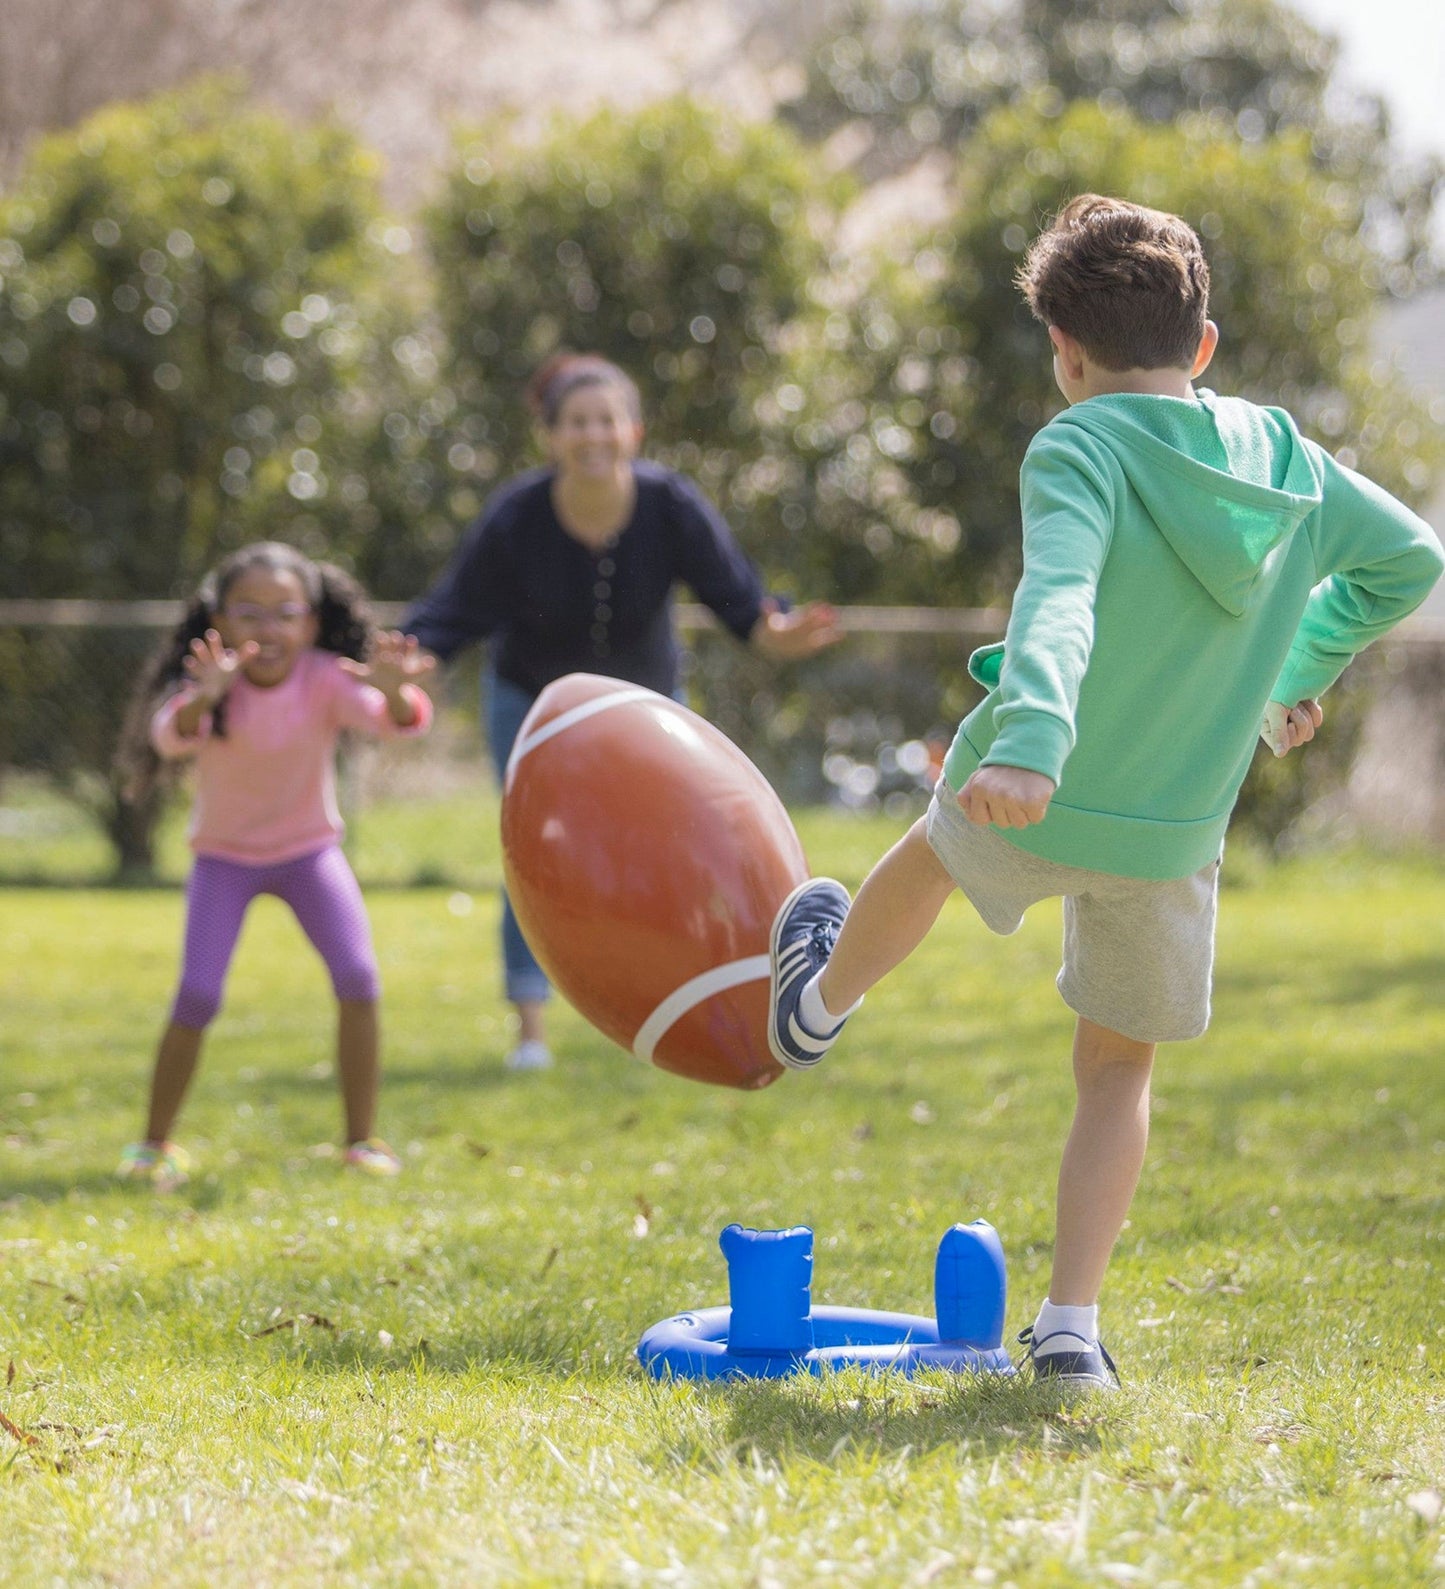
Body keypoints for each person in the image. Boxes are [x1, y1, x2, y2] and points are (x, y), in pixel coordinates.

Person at [766, 195, 1444, 1389]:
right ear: (1201, 346)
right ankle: (1069, 1326)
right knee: (1116, 1070)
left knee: (927, 853)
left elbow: (1059, 594)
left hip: (1040, 788)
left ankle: (815, 1001)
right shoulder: (1286, 460)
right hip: (1169, 833)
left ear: (1064, 355)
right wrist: (1297, 669)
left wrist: (1027, 736)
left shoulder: (1077, 445)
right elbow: (1408, 560)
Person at [404, 353, 842, 1073]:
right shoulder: (517, 517)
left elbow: (739, 599)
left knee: (685, 854)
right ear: (550, 437)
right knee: (534, 861)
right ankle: (531, 1029)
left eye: (607, 420)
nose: (593, 435)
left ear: (633, 431)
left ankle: (685, 1001)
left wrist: (778, 632)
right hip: (534, 709)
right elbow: (452, 612)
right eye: (576, 422)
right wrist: (412, 657)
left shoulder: (669, 505)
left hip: (646, 713)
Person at [115, 542, 436, 1190]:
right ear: (221, 621)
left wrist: (398, 695)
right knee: (198, 993)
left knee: (358, 977)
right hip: (223, 861)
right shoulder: (210, 681)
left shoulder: (322, 676)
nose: (268, 628)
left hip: (308, 853)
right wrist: (205, 697)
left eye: (285, 612)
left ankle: (361, 1141)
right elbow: (170, 734)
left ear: (311, 624)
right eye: (249, 612)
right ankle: (153, 1145)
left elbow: (391, 723)